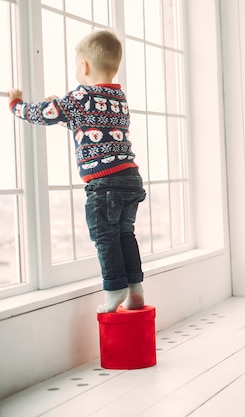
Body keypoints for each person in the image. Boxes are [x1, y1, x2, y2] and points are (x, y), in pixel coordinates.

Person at [8, 30, 146, 314]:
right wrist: (66, 114)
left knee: (104, 236)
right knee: (124, 235)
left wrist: (16, 104)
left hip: (104, 182)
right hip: (130, 179)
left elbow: (43, 113)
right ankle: (135, 289)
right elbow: (92, 128)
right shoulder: (118, 98)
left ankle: (114, 286)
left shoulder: (80, 96)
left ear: (83, 66)